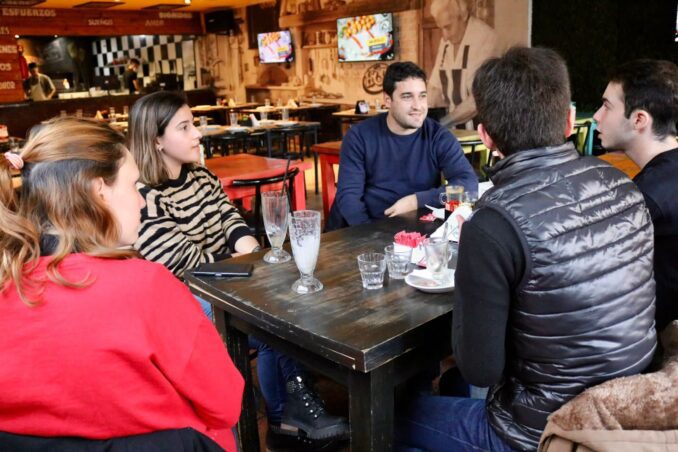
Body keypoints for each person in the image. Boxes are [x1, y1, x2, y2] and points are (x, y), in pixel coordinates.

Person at [396, 47, 657, 451]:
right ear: (570, 120)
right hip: (628, 411)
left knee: (397, 415)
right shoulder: (625, 185)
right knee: (452, 387)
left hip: (543, 432)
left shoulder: (494, 222)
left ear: (484, 136)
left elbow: (480, 368)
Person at [0, 117, 243, 451]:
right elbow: (225, 401)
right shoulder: (146, 287)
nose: (142, 201)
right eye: (133, 185)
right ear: (99, 191)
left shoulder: (6, 286)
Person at [128, 91, 349, 450]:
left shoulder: (199, 176)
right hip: (180, 300)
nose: (197, 134)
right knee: (270, 319)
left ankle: (288, 415)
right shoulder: (143, 196)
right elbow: (187, 265)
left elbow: (233, 224)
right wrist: (251, 271)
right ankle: (286, 414)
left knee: (286, 295)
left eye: (193, 124)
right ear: (155, 140)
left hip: (224, 280)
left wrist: (262, 260)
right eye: (184, 127)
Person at [327, 61, 477, 230]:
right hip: (366, 229)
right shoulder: (359, 137)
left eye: (422, 96)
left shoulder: (438, 136)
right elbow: (349, 199)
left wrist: (416, 200)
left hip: (417, 233)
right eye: (407, 96)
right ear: (387, 100)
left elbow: (468, 184)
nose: (418, 106)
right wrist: (369, 238)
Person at [593, 59, 678, 334]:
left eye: (606, 106)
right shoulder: (661, 180)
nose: (596, 116)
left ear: (639, 119)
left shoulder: (649, 195)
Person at [427, 0, 498, 129]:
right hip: (454, 130)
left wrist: (441, 124)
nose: (445, 36)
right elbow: (434, 90)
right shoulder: (446, 42)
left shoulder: (484, 37)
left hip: (479, 132)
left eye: (448, 27)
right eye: (441, 28)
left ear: (463, 16)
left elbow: (476, 101)